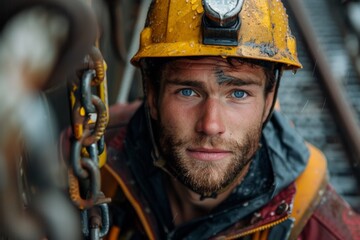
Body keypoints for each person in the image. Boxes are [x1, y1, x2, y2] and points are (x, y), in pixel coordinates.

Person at [102, 0, 360, 239]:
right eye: (187, 92)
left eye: (238, 93)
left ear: (268, 102)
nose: (211, 125)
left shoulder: (319, 226)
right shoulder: (96, 158)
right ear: (151, 94)